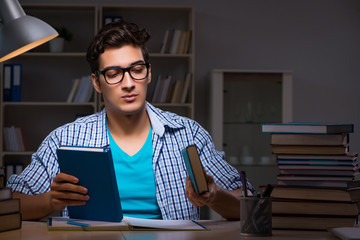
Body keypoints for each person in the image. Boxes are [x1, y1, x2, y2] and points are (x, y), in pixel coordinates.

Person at [6, 20, 254, 221]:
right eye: (113, 73)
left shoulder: (188, 133)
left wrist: (214, 196)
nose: (128, 83)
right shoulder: (65, 138)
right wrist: (51, 200)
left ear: (148, 74)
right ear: (97, 82)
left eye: (136, 70)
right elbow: (10, 205)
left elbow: (250, 204)